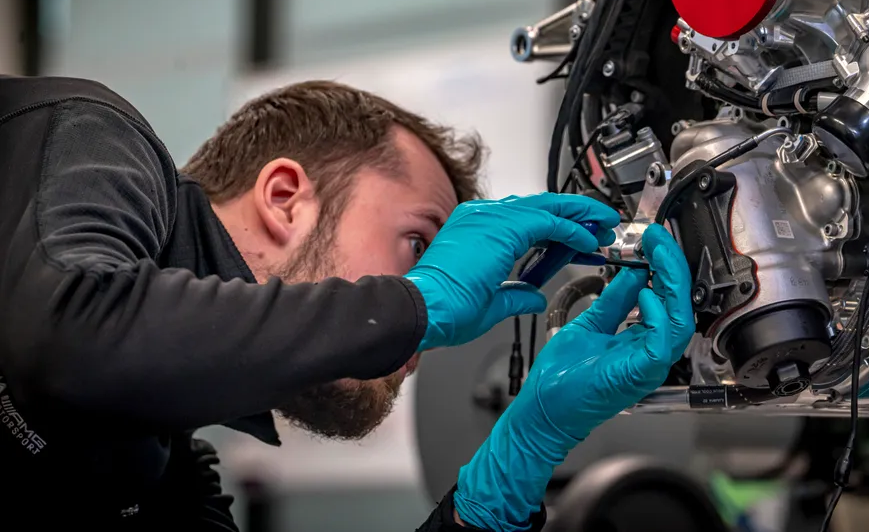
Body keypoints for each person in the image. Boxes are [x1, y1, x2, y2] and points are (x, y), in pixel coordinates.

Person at [0, 75, 694, 531]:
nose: (435, 337)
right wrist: (412, 302)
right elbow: (68, 340)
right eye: (417, 243)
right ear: (284, 198)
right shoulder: (85, 134)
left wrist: (518, 454)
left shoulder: (155, 472)